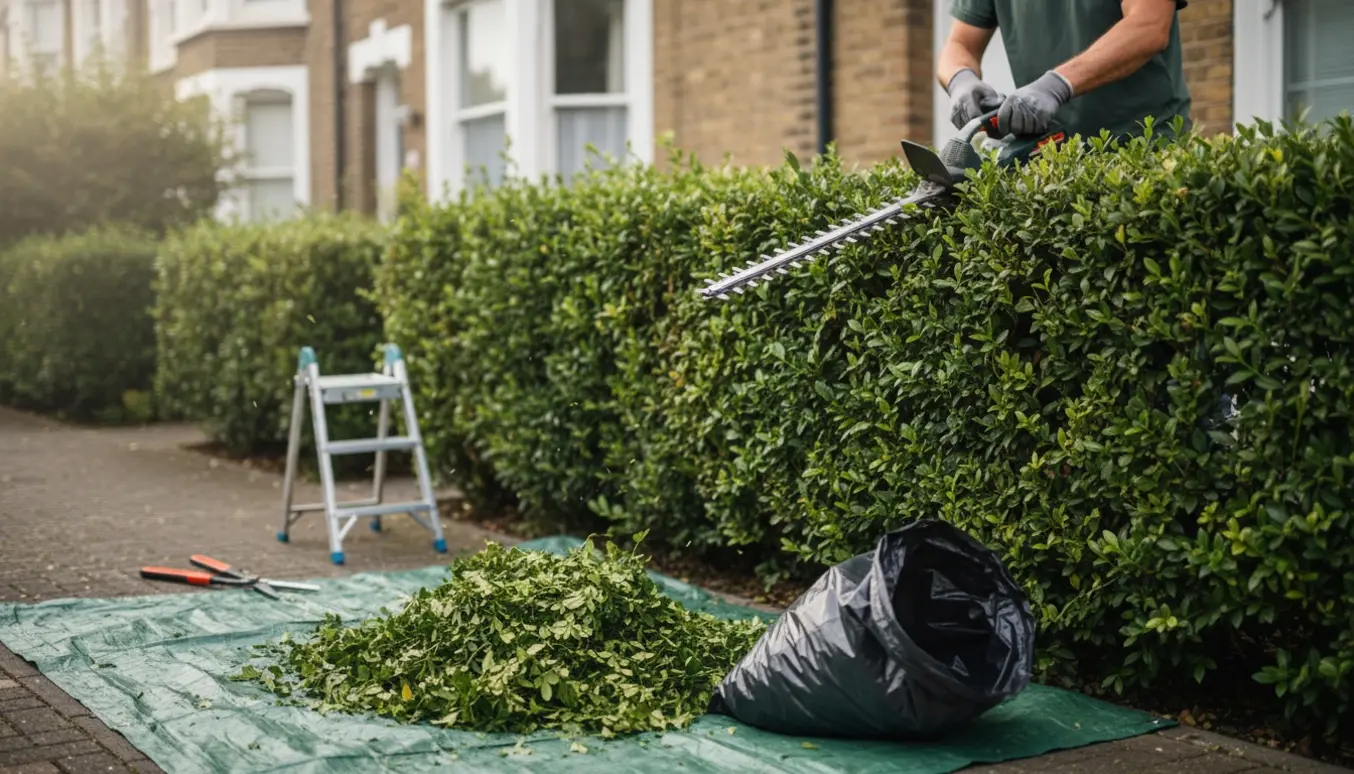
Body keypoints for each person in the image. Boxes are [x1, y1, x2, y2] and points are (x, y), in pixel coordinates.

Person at [937, 0, 1192, 141]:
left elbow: (1148, 26)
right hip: (1053, 161)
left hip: (1142, 147)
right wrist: (961, 79)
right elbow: (959, 45)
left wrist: (1056, 85)